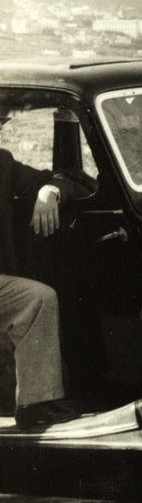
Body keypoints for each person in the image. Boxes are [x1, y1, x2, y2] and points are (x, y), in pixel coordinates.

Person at [0, 142, 75, 430]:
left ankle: (37, 403)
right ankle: (34, 407)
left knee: (57, 288)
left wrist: (49, 191)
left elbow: (70, 178)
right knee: (36, 298)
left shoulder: (4, 163)